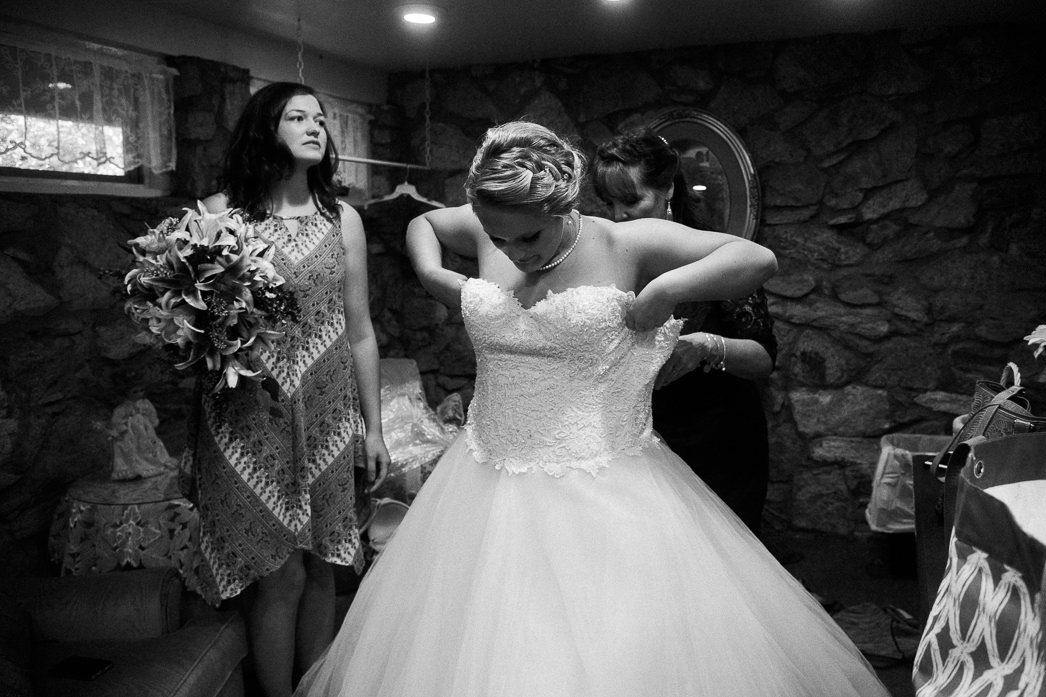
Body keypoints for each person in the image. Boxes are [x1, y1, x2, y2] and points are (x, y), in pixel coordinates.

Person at [294, 121, 887, 697]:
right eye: (499, 238)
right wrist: (432, 274)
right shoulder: (487, 230)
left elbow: (756, 260)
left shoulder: (622, 242)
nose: (512, 252)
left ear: (563, 208)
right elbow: (424, 222)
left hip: (603, 477)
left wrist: (665, 290)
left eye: (529, 237)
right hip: (483, 479)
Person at [188, 81, 388, 697]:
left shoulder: (343, 218)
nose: (315, 127)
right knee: (278, 572)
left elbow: (359, 331)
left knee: (326, 565)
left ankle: (316, 689)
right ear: (264, 129)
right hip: (249, 412)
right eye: (297, 117)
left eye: (321, 119)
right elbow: (196, 333)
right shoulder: (220, 214)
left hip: (328, 413)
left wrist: (373, 427)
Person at [591, 129, 776, 533]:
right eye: (609, 204)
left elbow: (762, 360)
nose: (619, 216)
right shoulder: (604, 258)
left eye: (631, 200)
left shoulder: (717, 255)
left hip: (718, 438)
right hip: (636, 439)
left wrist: (703, 345)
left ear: (667, 191)